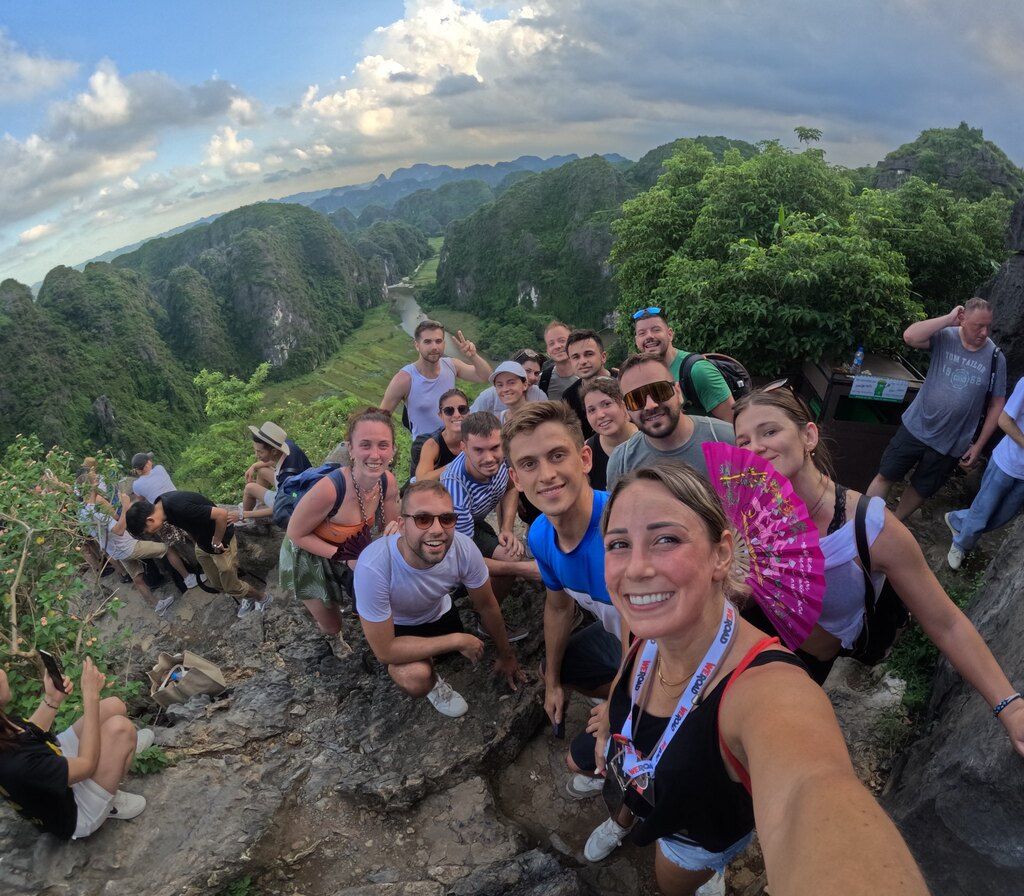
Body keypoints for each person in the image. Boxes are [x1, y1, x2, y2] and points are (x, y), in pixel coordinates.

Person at [572, 464, 930, 895]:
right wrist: (611, 723)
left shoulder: (768, 690)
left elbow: (811, 789)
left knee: (670, 882)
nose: (636, 568)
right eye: (618, 544)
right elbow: (627, 671)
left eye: (666, 539)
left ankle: (711, 872)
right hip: (641, 780)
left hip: (694, 837)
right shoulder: (649, 625)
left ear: (721, 554)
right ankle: (622, 820)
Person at [733, 385, 1024, 755]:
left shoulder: (870, 528)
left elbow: (947, 623)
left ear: (808, 436)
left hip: (799, 668)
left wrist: (1010, 706)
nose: (756, 448)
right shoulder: (743, 510)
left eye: (770, 431)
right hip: (739, 644)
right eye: (743, 442)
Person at [503, 402, 624, 799]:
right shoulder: (541, 534)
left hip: (675, 656)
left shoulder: (624, 532)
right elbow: (558, 606)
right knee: (552, 668)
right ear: (516, 478)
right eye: (529, 464)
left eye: (557, 456)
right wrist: (553, 683)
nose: (547, 474)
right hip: (623, 637)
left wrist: (618, 707)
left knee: (580, 760)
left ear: (585, 458)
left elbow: (660, 643)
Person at [354, 480, 525, 717]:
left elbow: (487, 604)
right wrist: (456, 641)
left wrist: (507, 655)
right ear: (402, 525)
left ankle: (437, 651)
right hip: (397, 627)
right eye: (423, 519)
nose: (437, 529)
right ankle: (432, 683)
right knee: (416, 678)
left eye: (446, 519)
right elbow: (385, 649)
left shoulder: (463, 548)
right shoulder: (374, 566)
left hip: (440, 613)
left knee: (450, 653)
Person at [867, 298, 1007, 521]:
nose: (984, 332)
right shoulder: (946, 336)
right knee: (886, 475)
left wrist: (979, 445)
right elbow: (910, 337)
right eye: (978, 326)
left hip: (952, 442)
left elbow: (996, 405)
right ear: (963, 319)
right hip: (916, 426)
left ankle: (894, 523)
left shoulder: (995, 358)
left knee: (921, 488)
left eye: (988, 326)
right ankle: (864, 523)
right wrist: (948, 319)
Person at [282, 408, 401, 657]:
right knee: (332, 623)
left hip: (349, 544)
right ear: (351, 449)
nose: (375, 455)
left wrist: (397, 529)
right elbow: (296, 534)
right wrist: (346, 559)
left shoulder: (387, 482)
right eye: (365, 445)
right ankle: (333, 637)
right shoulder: (330, 489)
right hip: (308, 551)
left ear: (393, 449)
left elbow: (390, 528)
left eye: (383, 445)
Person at [0, 659, 150, 840]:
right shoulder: (16, 764)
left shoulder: (3, 726)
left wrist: (52, 699)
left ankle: (117, 755)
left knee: (113, 706)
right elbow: (86, 765)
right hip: (72, 812)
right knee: (121, 729)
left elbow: (28, 736)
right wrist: (91, 696)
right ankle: (110, 795)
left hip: (51, 769)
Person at [440, 412, 540, 604]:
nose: (489, 458)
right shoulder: (455, 490)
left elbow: (511, 488)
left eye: (495, 448)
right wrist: (521, 569)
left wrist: (506, 529)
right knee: (511, 559)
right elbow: (465, 558)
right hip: (449, 539)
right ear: (463, 448)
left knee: (510, 553)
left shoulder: (504, 459)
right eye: (478, 450)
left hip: (474, 521)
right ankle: (483, 611)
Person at [126, 489, 269, 618]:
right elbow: (188, 525)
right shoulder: (162, 508)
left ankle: (262, 598)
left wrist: (217, 540)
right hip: (203, 544)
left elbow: (221, 514)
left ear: (149, 520)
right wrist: (197, 543)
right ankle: (247, 597)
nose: (149, 533)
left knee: (231, 585)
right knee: (217, 583)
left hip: (221, 541)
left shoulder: (179, 506)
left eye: (146, 530)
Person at [606, 354, 734, 490]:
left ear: (678, 392)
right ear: (626, 409)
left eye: (659, 391)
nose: (650, 405)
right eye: (635, 399)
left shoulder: (727, 439)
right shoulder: (622, 463)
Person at [946, 376, 1024, 568]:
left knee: (1002, 517)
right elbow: (1004, 420)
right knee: (982, 514)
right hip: (1006, 462)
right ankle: (960, 545)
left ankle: (957, 519)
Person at [82, 489, 197, 615]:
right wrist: (125, 506)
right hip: (129, 547)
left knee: (137, 578)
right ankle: (188, 578)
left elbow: (109, 521)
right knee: (166, 549)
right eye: (100, 498)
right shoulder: (97, 514)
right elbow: (119, 530)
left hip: (116, 552)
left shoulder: (83, 514)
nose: (103, 499)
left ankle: (157, 605)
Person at [380, 320, 492, 438]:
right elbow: (381, 418)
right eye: (427, 342)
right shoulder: (405, 378)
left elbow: (485, 376)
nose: (434, 347)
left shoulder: (451, 365)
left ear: (444, 344)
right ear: (417, 345)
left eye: (438, 341)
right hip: (424, 446)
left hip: (454, 441)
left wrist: (473, 356)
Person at [633, 307, 734, 421]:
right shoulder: (644, 376)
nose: (649, 336)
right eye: (642, 333)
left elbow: (732, 422)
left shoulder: (698, 370)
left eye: (656, 330)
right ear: (637, 341)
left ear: (670, 334)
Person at [239, 421, 312, 523]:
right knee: (262, 471)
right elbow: (273, 459)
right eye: (255, 450)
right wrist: (254, 466)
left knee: (249, 488)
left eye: (260, 452)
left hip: (294, 498)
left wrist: (245, 514)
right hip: (301, 488)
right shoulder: (287, 445)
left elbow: (284, 505)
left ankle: (245, 520)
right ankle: (259, 505)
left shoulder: (287, 476)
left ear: (274, 451)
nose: (256, 455)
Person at [581, 378, 637, 491]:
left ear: (623, 405)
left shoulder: (651, 437)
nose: (600, 415)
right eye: (591, 410)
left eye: (606, 404)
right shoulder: (587, 454)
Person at [562, 330, 614, 438]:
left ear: (603, 357)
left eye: (589, 354)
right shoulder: (569, 397)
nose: (582, 361)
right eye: (576, 357)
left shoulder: (623, 383)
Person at [414, 389, 468, 482]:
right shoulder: (432, 444)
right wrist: (457, 464)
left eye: (462, 409)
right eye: (449, 411)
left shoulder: (476, 437)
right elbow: (421, 479)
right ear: (440, 415)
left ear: (469, 412)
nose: (457, 415)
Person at [471, 351, 547, 415]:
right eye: (527, 371)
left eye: (536, 373)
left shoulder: (539, 396)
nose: (532, 377)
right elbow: (470, 419)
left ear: (525, 384)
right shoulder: (489, 396)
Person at [540, 320, 579, 402]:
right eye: (551, 343)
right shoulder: (542, 380)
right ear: (547, 350)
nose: (557, 346)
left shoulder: (587, 375)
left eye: (562, 341)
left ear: (572, 342)